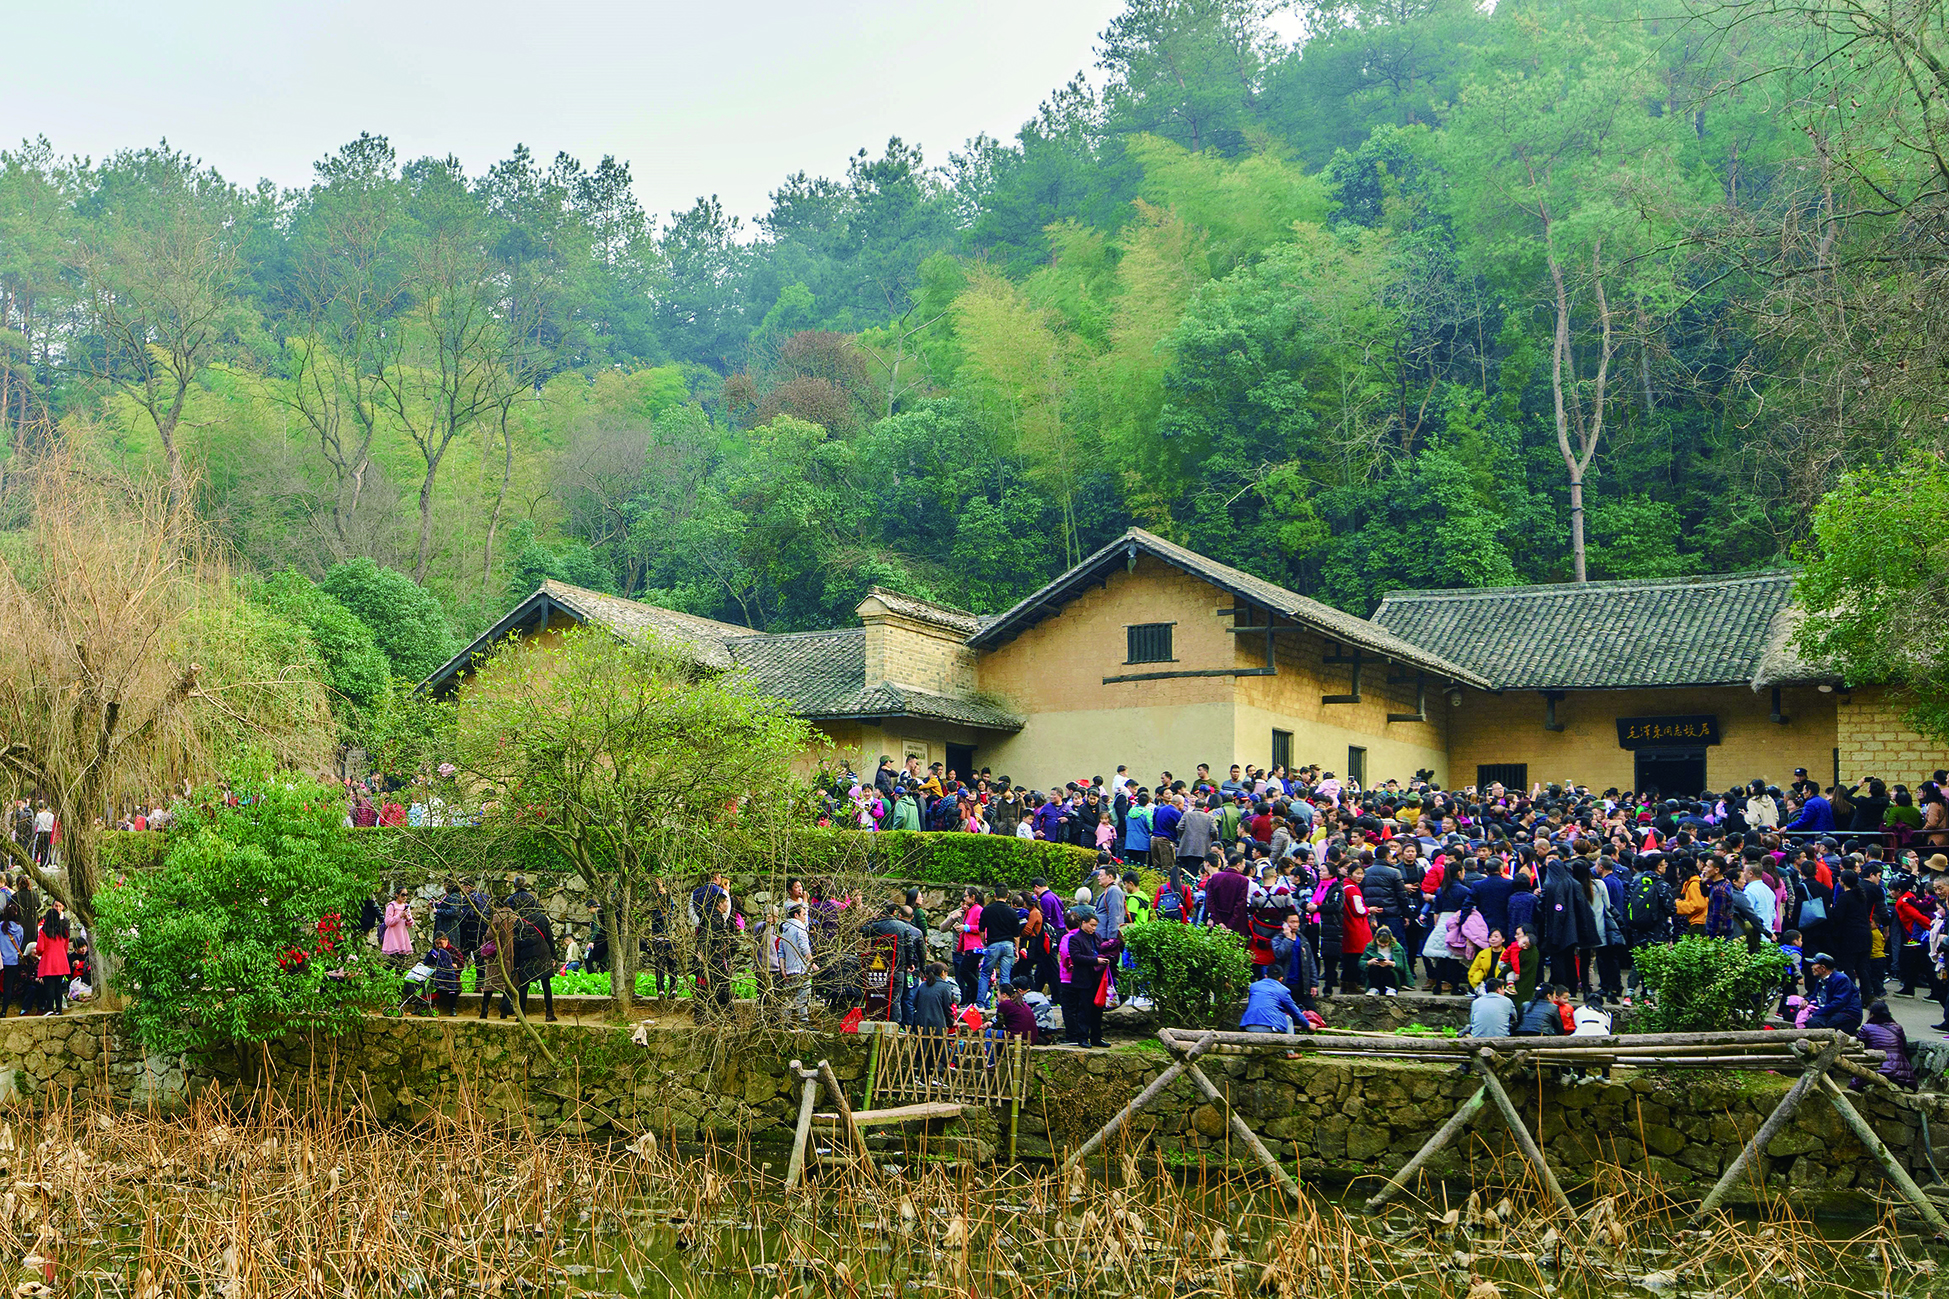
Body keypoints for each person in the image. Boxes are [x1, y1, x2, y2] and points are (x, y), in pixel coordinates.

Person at [1059, 907, 1109, 1048]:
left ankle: (1096, 1037)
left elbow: (1102, 950)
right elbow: (1076, 957)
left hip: (1097, 978)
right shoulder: (1075, 939)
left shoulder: (1097, 937)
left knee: (1097, 1010)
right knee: (1084, 1010)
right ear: (1084, 923)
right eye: (1091, 925)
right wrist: (1095, 960)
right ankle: (1082, 1038)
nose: (1093, 928)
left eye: (1095, 926)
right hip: (1083, 979)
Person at [1856, 1000, 1916, 1089]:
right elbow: (1905, 1048)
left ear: (1872, 1014)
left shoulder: (1867, 1028)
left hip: (1878, 1070)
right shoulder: (1898, 1027)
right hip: (1901, 1074)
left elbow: (1857, 1045)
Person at [1804, 952, 1863, 1032]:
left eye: (1814, 964)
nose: (1812, 967)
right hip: (1830, 1011)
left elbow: (1838, 1003)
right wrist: (1807, 1000)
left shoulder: (1841, 979)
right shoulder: (1821, 979)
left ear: (1823, 968)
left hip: (1847, 1013)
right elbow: (1815, 995)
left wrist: (1816, 1014)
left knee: (1814, 1022)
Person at [1240, 965, 1306, 1034]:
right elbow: (1294, 1012)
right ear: (1281, 979)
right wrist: (1307, 1024)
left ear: (1265, 976)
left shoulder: (1254, 986)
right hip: (1270, 1027)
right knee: (1288, 1019)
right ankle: (1291, 1042)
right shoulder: (1283, 990)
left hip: (1248, 1025)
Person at [35, 904, 70, 1015]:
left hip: (48, 962)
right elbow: (66, 947)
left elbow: (40, 948)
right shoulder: (63, 931)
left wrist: (39, 953)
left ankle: (50, 1009)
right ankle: (59, 1010)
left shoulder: (44, 931)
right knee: (58, 987)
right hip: (61, 961)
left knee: (49, 986)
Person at [1363, 925, 1407, 996]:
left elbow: (1402, 966)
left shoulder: (1397, 947)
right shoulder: (1370, 946)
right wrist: (1369, 962)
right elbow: (1361, 962)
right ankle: (1374, 987)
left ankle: (1391, 988)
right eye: (1380, 942)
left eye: (1385, 943)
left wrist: (1390, 963)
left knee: (1387, 969)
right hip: (1375, 973)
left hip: (1391, 973)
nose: (1383, 945)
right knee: (1374, 968)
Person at [381, 889, 415, 969]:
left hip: (402, 935)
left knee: (402, 961)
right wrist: (399, 916)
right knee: (392, 960)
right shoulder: (391, 906)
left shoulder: (406, 907)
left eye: (407, 895)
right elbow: (388, 922)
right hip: (393, 935)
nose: (405, 897)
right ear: (397, 894)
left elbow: (410, 924)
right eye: (403, 895)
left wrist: (407, 918)